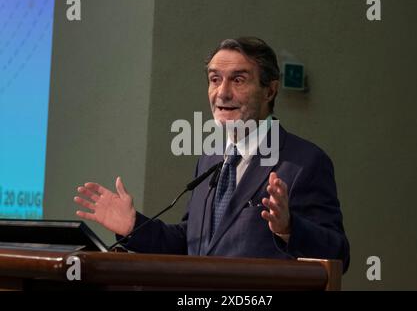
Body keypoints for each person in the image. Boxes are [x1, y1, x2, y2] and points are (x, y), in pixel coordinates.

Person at [74, 37, 350, 272]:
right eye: (215, 79)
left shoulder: (304, 161)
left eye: (238, 80)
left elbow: (338, 254)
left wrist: (289, 228)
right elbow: (192, 242)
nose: (222, 92)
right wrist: (133, 226)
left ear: (270, 90)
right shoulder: (211, 158)